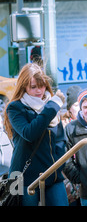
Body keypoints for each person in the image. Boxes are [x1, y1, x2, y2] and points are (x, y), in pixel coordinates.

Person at [3, 63, 68, 206]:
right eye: (33, 87)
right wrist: (52, 107)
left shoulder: (51, 105)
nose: (39, 90)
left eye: (42, 85)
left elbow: (60, 140)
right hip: (24, 177)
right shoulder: (15, 107)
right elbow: (30, 133)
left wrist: (59, 166)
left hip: (52, 174)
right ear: (24, 87)